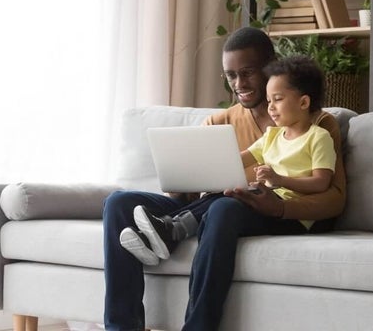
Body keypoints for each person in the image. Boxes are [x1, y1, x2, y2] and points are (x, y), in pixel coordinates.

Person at [102, 27, 346, 331]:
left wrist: (280, 208)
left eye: (247, 73)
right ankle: (121, 326)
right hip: (210, 207)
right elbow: (194, 193)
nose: (239, 84)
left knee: (223, 207)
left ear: (270, 67)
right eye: (230, 76)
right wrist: (182, 183)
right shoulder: (219, 122)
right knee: (119, 204)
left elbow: (334, 197)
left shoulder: (318, 125)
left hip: (262, 211)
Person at [119, 56, 337, 265]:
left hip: (291, 216)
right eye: (269, 100)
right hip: (265, 199)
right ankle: (166, 229)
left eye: (278, 100)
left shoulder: (319, 137)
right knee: (225, 193)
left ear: (304, 102)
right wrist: (193, 167)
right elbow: (234, 161)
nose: (270, 107)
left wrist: (280, 180)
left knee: (230, 202)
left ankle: (169, 229)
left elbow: (321, 182)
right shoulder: (271, 136)